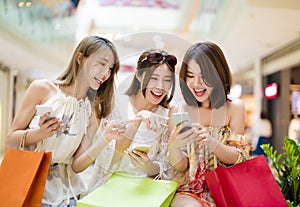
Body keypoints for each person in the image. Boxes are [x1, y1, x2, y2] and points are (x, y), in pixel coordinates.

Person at [6, 35, 122, 206]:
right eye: (101, 63)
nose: (106, 73)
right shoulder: (43, 89)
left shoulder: (93, 109)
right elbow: (11, 139)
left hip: (66, 194)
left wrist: (105, 139)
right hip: (27, 181)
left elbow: (77, 166)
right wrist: (40, 133)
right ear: (80, 59)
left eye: (110, 68)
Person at [167, 41, 250, 207]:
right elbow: (181, 167)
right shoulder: (177, 110)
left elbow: (238, 159)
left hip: (226, 188)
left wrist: (211, 142)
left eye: (203, 76)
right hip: (189, 190)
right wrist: (173, 146)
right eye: (190, 76)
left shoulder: (234, 108)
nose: (196, 83)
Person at [87, 49, 177, 192]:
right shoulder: (115, 104)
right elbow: (110, 158)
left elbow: (166, 169)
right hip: (105, 188)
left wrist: (148, 165)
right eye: (154, 78)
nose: (160, 87)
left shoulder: (166, 117)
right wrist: (139, 118)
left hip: (140, 192)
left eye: (167, 80)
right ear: (139, 76)